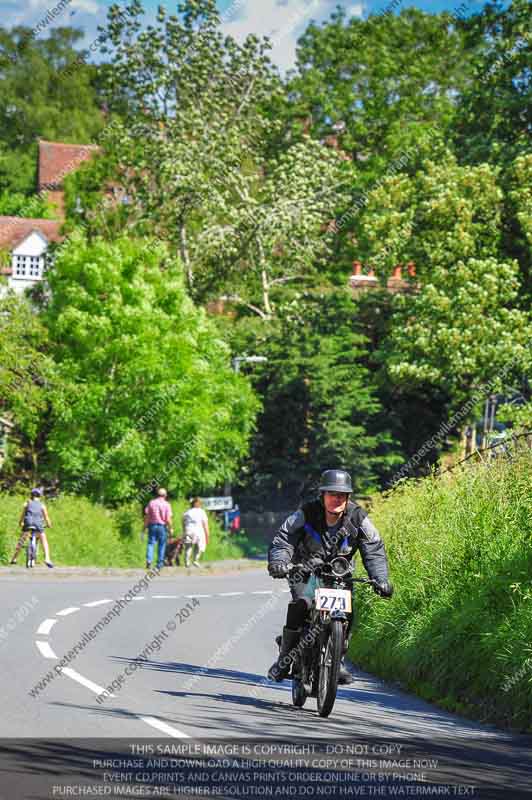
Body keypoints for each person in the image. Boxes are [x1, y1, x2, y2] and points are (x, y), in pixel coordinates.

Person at [267, 469, 393, 685]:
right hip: (304, 571)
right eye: (332, 494)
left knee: (346, 611)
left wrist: (381, 578)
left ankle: (337, 660)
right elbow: (284, 538)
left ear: (348, 497)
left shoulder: (358, 518)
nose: (337, 499)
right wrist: (279, 561)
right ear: (322, 494)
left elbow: (373, 547)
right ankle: (284, 658)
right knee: (302, 604)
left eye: (342, 495)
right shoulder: (305, 513)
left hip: (339, 574)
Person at [10, 488, 54, 567]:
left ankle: (14, 558)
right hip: (38, 524)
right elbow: (46, 518)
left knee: (22, 540)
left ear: (31, 496)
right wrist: (49, 525)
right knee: (43, 539)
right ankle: (47, 558)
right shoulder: (42, 505)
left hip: (28, 523)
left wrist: (20, 523)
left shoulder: (27, 503)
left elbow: (22, 515)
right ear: (39, 496)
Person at [144, 487, 173, 570]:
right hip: (162, 527)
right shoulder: (167, 504)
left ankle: (149, 561)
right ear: (165, 495)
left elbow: (147, 516)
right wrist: (171, 528)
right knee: (162, 544)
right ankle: (159, 563)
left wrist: (144, 528)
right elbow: (168, 519)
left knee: (150, 543)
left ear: (157, 494)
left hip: (152, 526)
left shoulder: (151, 503)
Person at [182, 497, 209, 568]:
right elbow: (205, 525)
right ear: (199, 504)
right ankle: (195, 561)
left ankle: (187, 562)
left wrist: (184, 531)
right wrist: (207, 535)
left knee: (188, 547)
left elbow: (183, 522)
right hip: (198, 531)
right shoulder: (202, 512)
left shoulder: (187, 512)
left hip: (189, 531)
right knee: (199, 546)